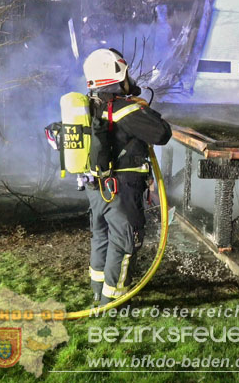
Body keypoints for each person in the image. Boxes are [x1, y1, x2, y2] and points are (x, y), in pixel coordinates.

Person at [82, 48, 172, 305]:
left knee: (101, 236)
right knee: (123, 243)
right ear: (117, 76)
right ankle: (115, 301)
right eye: (125, 74)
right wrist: (143, 110)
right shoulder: (124, 109)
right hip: (120, 190)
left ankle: (98, 291)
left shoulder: (90, 105)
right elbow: (161, 133)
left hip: (96, 186)